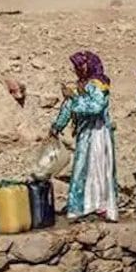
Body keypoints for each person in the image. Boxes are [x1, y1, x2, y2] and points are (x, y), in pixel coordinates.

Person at [50, 51, 118, 222]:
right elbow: (68, 107)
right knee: (83, 168)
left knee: (97, 168)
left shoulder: (99, 84)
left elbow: (96, 107)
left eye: (80, 66)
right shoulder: (79, 84)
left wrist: (75, 98)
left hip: (98, 133)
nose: (77, 70)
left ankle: (100, 205)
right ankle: (83, 206)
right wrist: (57, 127)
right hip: (84, 134)